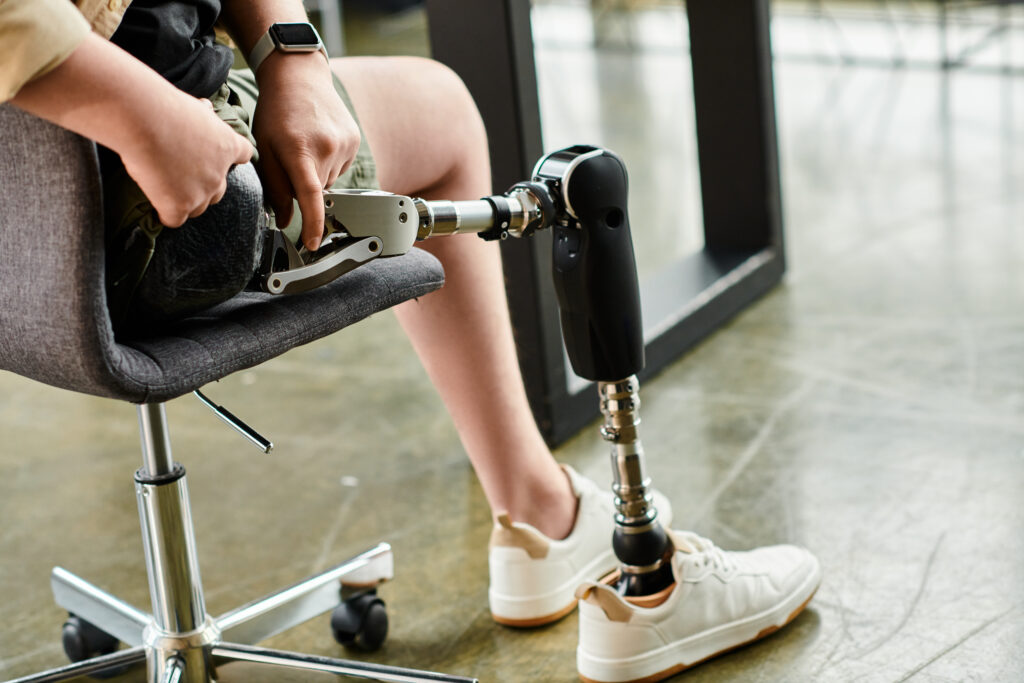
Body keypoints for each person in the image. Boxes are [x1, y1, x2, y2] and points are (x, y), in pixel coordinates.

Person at [0, 1, 821, 680]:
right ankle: (584, 539)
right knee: (446, 116)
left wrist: (294, 54)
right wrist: (145, 117)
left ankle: (543, 531)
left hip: (22, 234)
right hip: (161, 182)